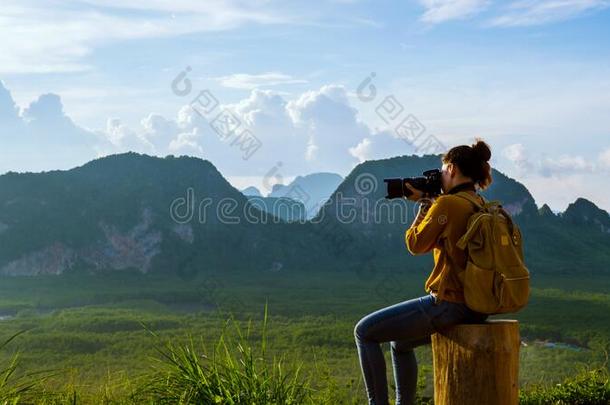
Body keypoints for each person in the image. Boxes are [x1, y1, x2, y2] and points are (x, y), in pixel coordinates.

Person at [354, 139, 494, 405]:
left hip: (448, 304)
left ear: (451, 169)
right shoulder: (477, 202)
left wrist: (423, 207)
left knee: (364, 331)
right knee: (400, 344)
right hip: (476, 304)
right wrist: (434, 202)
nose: (440, 176)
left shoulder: (447, 205)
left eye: (442, 171)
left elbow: (415, 244)